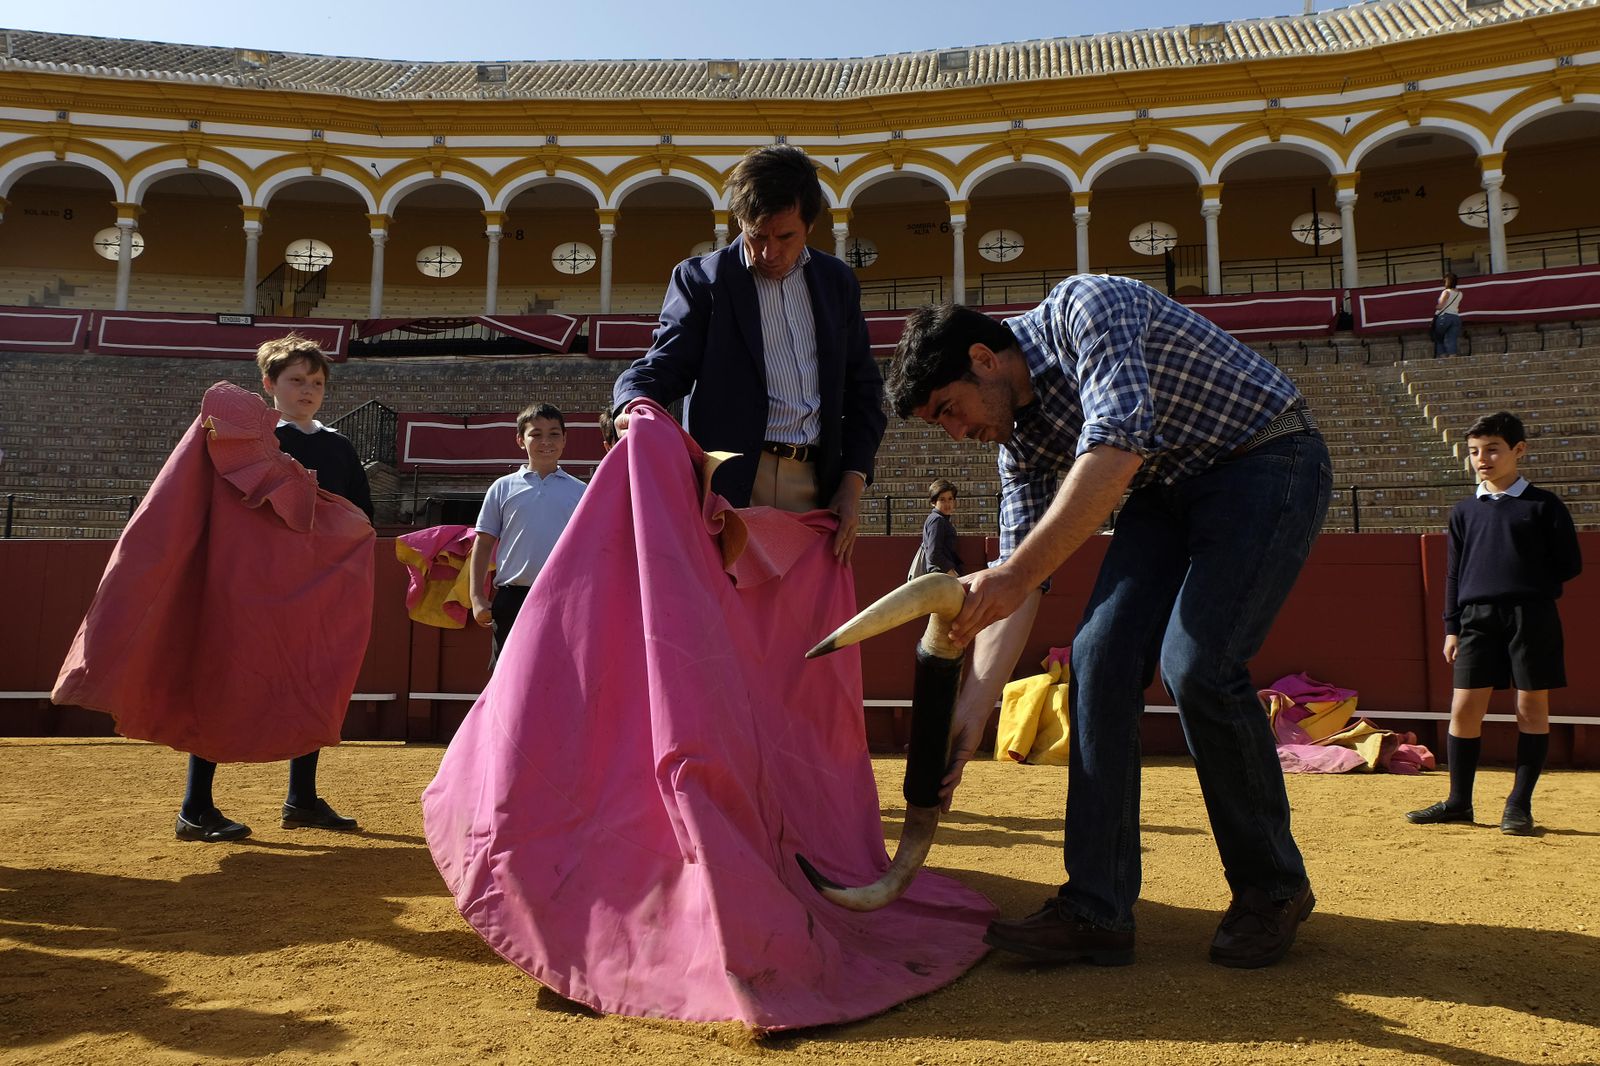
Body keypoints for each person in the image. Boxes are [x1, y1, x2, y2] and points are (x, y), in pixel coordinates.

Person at [886, 274, 1333, 969]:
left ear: (983, 358)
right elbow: (1019, 587)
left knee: (1199, 662)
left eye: (951, 409)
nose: (958, 433)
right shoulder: (1021, 447)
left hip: (1266, 457)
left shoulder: (1087, 306)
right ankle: (1098, 907)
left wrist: (1012, 574)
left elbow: (1117, 447)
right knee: (1097, 656)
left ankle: (1273, 888)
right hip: (1163, 490)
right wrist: (972, 710)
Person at [610, 144, 886, 562]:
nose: (768, 252)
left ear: (810, 225)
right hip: (733, 482)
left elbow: (864, 390)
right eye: (756, 235)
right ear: (739, 220)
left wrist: (852, 483)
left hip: (818, 487)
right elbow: (665, 363)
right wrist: (632, 401)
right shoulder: (703, 280)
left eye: (785, 236)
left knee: (805, 625)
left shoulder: (836, 282)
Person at [177, 334, 373, 842]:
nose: (307, 390)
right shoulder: (249, 440)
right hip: (250, 587)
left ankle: (301, 799)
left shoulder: (338, 446)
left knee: (312, 682)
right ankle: (195, 807)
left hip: (314, 589)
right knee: (227, 679)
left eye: (316, 382)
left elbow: (361, 518)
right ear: (269, 385)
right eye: (295, 381)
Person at [1407, 411, 1582, 835]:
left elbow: (1570, 564)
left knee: (1530, 707)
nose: (1481, 458)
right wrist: (1452, 626)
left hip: (1531, 615)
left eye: (1491, 449)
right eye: (1473, 451)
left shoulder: (1544, 505)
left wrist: (1523, 582)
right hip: (1475, 619)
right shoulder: (1464, 511)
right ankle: (1458, 802)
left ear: (1517, 450)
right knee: (1464, 709)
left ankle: (1518, 805)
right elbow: (1453, 573)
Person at [468, 403, 586, 667]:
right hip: (513, 597)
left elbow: (589, 549)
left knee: (560, 673)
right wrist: (477, 597)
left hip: (564, 599)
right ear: (521, 440)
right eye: (536, 434)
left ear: (565, 439)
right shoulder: (502, 487)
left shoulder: (581, 491)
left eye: (554, 434)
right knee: (508, 674)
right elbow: (483, 543)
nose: (546, 441)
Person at [919, 478, 963, 577]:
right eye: (942, 500)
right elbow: (934, 554)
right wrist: (952, 573)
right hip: (940, 576)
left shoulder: (939, 519)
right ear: (934, 502)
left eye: (950, 499)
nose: (947, 504)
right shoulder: (937, 520)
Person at [1433, 272, 1464, 356]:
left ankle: (1442, 356)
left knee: (1439, 338)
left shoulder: (1446, 292)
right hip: (1455, 317)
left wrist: (1436, 306)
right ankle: (1452, 356)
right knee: (1452, 339)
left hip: (1444, 317)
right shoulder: (1460, 293)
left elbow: (1440, 306)